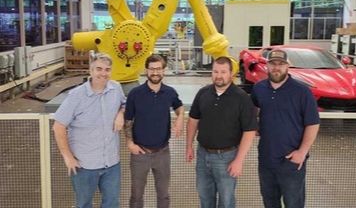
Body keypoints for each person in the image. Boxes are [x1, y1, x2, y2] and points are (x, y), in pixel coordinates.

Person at [53, 53, 126, 208]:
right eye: (99, 69)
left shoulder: (116, 88)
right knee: (84, 204)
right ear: (91, 71)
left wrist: (120, 113)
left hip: (112, 164)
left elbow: (125, 104)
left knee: (112, 203)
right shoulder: (76, 95)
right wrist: (67, 157)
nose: (103, 73)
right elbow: (58, 126)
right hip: (84, 166)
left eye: (107, 69)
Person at [251, 49, 320, 208]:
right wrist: (253, 125)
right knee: (270, 203)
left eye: (281, 64)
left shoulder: (302, 91)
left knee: (294, 203)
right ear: (267, 66)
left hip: (291, 161)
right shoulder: (259, 88)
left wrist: (301, 152)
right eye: (273, 64)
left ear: (287, 66)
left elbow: (313, 123)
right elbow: (252, 109)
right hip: (266, 160)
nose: (277, 68)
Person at [186, 56, 257, 208]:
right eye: (215, 71)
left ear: (231, 74)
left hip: (227, 158)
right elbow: (193, 120)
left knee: (226, 201)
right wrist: (189, 146)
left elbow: (249, 131)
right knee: (205, 198)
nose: (219, 75)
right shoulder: (203, 93)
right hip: (202, 155)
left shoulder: (242, 98)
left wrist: (239, 160)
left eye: (223, 72)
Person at [124, 54, 184, 208]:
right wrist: (130, 143)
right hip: (139, 154)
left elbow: (178, 106)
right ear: (146, 70)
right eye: (152, 69)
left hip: (162, 153)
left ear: (164, 70)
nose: (155, 72)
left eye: (158, 69)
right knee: (136, 196)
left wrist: (180, 118)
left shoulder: (170, 92)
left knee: (163, 196)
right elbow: (128, 120)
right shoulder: (135, 94)